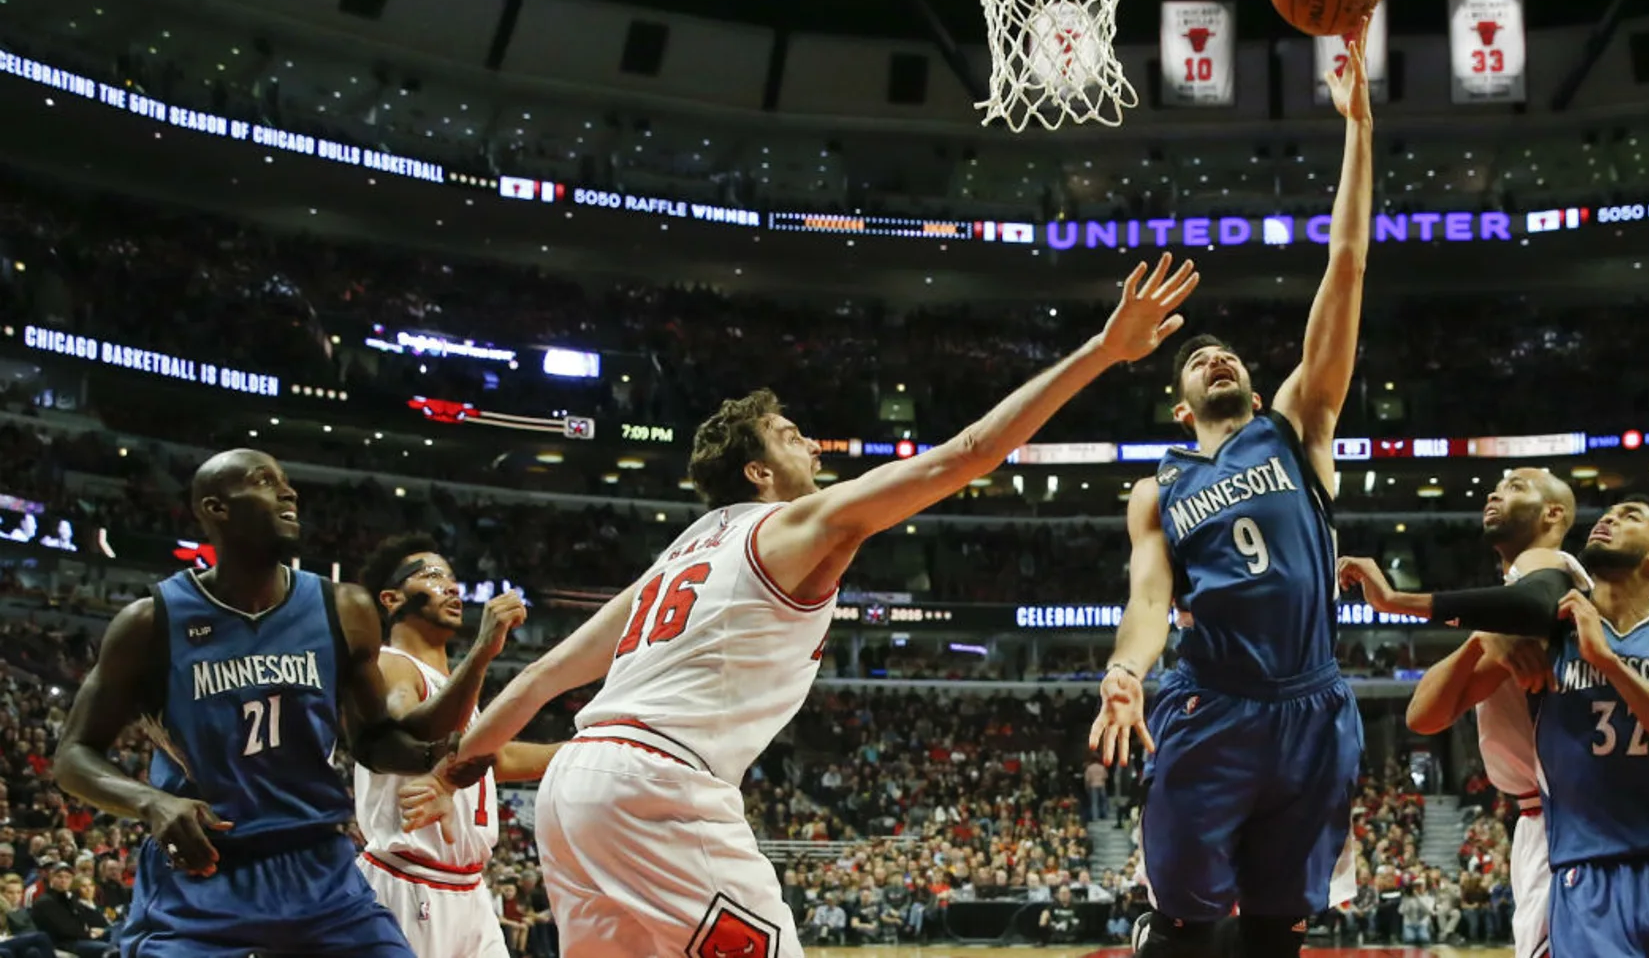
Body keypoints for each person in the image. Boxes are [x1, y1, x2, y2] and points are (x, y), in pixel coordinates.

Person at [407, 256, 1199, 958]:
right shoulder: (794, 526)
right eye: (790, 436)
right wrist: (1103, 351)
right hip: (659, 785)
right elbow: (970, 453)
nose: (811, 445)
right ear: (756, 471)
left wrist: (454, 765)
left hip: (572, 788)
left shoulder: (675, 556)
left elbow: (544, 673)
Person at [1088, 23, 1374, 958]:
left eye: (1228, 350)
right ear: (1180, 406)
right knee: (1187, 926)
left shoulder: (1295, 427)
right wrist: (1126, 673)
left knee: (1279, 931)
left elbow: (1346, 267)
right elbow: (1149, 600)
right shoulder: (1158, 488)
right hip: (1211, 703)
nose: (1215, 352)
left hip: (1313, 705)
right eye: (1195, 357)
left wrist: (1358, 131)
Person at [51, 449, 457, 958]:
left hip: (319, 873)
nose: (288, 493)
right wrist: (151, 801)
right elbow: (71, 757)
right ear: (216, 509)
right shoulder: (150, 623)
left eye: (287, 482)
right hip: (203, 873)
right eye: (265, 482)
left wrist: (439, 755)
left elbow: (374, 741)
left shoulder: (345, 609)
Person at [1355, 494, 1649, 956]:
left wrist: (1609, 664)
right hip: (1592, 873)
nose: (1608, 520)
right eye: (1606, 514)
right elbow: (1425, 716)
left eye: (1629, 517)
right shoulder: (1551, 626)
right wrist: (1485, 635)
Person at [1341, 467, 1592, 958]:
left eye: (1517, 487)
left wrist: (1395, 602)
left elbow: (1531, 603)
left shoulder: (1548, 573)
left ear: (1553, 514)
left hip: (1569, 817)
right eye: (1496, 487)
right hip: (1542, 820)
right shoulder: (1509, 610)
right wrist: (1482, 637)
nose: (1496, 493)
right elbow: (1423, 716)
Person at [352, 535, 560, 958]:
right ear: (392, 599)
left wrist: (591, 748)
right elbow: (413, 731)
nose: (450, 586)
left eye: (451, 577)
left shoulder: (455, 688)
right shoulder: (390, 663)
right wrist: (484, 650)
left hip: (469, 888)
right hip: (407, 882)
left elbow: (494, 758)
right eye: (430, 576)